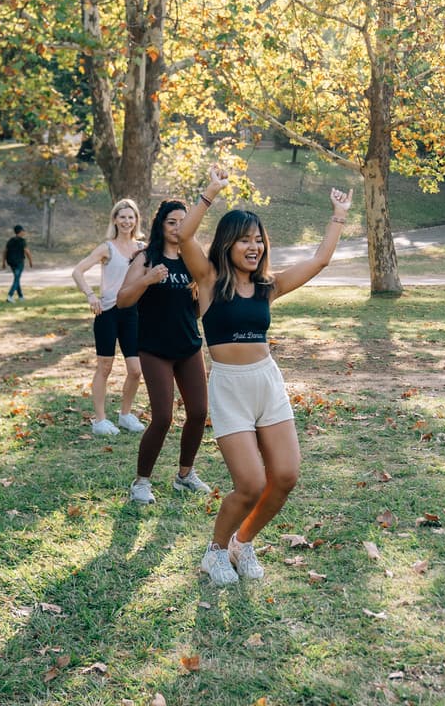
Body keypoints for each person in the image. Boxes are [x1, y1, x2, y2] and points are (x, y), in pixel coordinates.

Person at [179, 166, 352, 585]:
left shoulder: (267, 286)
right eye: (245, 239)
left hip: (265, 382)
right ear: (227, 244)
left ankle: (242, 542)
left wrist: (339, 214)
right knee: (251, 484)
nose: (254, 246)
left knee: (286, 477)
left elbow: (320, 260)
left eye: (259, 240)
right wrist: (210, 193)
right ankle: (215, 552)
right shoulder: (208, 280)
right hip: (228, 387)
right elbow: (184, 237)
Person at [116, 200, 213, 504]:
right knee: (162, 417)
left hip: (188, 346)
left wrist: (199, 292)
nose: (178, 228)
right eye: (172, 222)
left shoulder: (192, 260)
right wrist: (147, 279)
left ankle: (185, 475)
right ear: (161, 225)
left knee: (198, 412)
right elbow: (122, 300)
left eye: (183, 222)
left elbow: (195, 310)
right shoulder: (147, 258)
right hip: (155, 349)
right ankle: (141, 482)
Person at [70, 199, 146, 436]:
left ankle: (125, 415)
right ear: (115, 219)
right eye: (122, 217)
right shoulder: (107, 248)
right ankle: (100, 420)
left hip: (133, 313)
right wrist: (91, 295)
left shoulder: (143, 248)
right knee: (105, 367)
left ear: (136, 221)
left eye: (130, 217)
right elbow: (78, 271)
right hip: (107, 313)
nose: (126, 221)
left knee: (135, 370)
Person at [2, 224, 34, 302]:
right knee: (16, 279)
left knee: (17, 278)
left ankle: (21, 297)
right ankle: (10, 295)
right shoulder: (22, 241)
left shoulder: (10, 240)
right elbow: (27, 251)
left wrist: (3, 262)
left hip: (11, 262)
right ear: (20, 232)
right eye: (23, 231)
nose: (24, 232)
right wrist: (30, 261)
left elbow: (5, 251)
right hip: (19, 263)